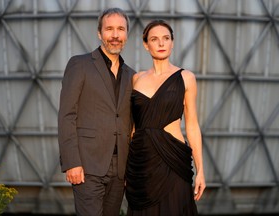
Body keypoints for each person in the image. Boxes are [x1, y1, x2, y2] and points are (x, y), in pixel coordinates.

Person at [58, 8, 135, 216]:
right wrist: (72, 162)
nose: (115, 35)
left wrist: (131, 169)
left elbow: (130, 124)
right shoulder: (79, 64)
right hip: (87, 165)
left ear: (127, 34)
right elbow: (67, 115)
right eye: (109, 29)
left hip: (120, 170)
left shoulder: (132, 76)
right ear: (99, 33)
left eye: (120, 29)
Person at [125, 19, 206, 215]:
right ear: (146, 45)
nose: (161, 43)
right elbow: (133, 128)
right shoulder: (136, 79)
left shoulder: (186, 77)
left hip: (173, 159)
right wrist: (127, 166)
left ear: (172, 42)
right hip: (142, 160)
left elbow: (192, 124)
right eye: (154, 39)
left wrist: (201, 169)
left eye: (166, 38)